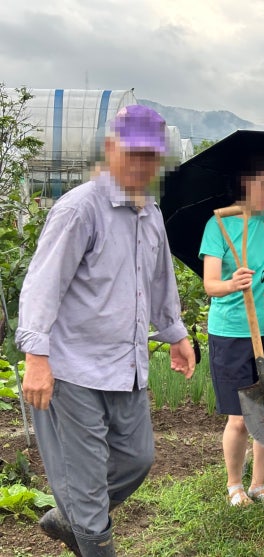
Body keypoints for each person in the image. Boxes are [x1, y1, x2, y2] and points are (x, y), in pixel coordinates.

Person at [16, 105, 196, 557]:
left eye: (150, 156)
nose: (141, 164)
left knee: (137, 459)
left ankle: (72, 519)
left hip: (124, 364)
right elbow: (42, 284)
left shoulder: (150, 213)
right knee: (88, 484)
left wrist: (175, 333)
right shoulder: (80, 209)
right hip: (72, 368)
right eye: (133, 153)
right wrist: (36, 356)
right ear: (112, 149)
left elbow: (160, 280)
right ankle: (88, 527)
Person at [199, 157, 264, 509]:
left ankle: (259, 485)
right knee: (240, 417)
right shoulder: (219, 224)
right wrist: (232, 283)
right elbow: (210, 284)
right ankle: (234, 486)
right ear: (246, 182)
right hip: (231, 330)